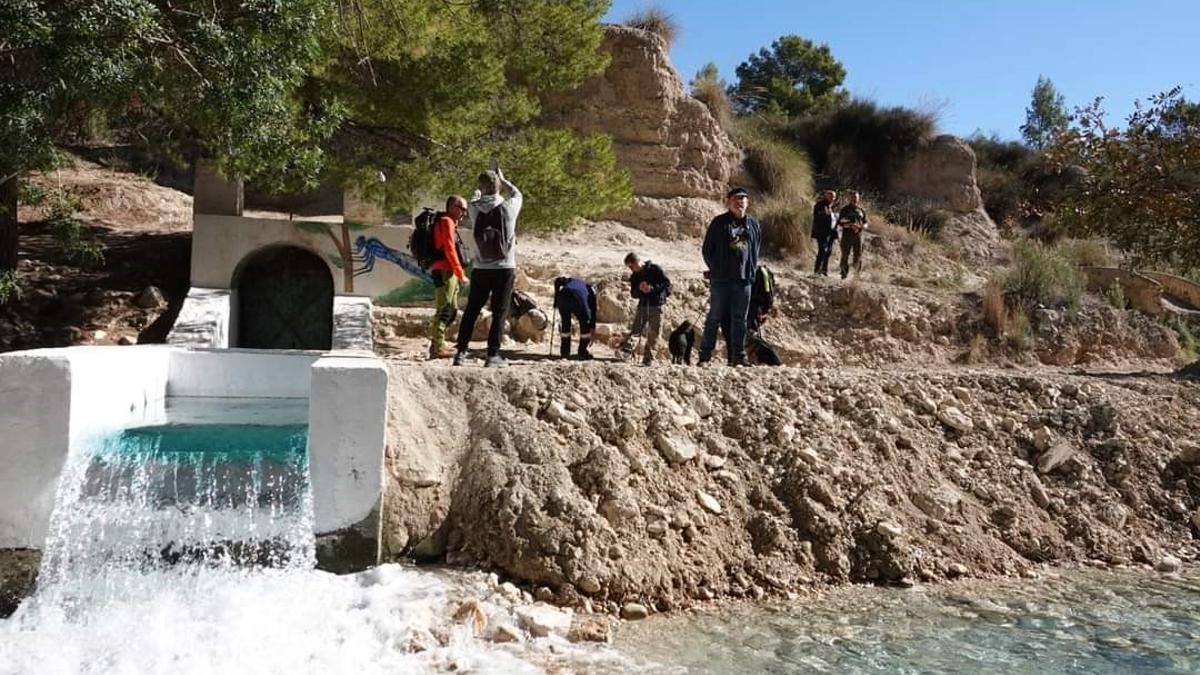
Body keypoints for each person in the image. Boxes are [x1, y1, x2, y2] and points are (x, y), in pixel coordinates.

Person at [453, 166, 523, 368]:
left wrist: (477, 192)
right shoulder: (509, 207)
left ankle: (461, 353)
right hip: (504, 268)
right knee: (499, 311)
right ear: (499, 186)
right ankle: (492, 355)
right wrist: (505, 179)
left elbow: (473, 198)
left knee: (472, 309)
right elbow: (518, 193)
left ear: (482, 187)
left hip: (481, 269)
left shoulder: (475, 209)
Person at [698, 187, 761, 366]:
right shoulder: (719, 223)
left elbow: (756, 250)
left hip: (744, 281)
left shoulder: (754, 225)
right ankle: (705, 356)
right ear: (728, 202)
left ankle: (738, 357)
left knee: (740, 319)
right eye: (736, 199)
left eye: (743, 199)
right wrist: (716, 269)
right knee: (714, 317)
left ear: (747, 203)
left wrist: (751, 271)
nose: (740, 202)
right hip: (721, 280)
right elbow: (707, 250)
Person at [427, 195, 469, 359]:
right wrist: (461, 274)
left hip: (449, 271)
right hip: (444, 271)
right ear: (452, 207)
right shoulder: (446, 222)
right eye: (462, 209)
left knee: (452, 309)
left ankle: (438, 343)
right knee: (444, 310)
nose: (464, 213)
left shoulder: (451, 223)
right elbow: (449, 250)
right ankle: (437, 348)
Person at [622, 252, 671, 366]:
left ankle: (648, 359)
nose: (632, 269)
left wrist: (651, 288)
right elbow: (634, 294)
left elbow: (666, 283)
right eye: (629, 267)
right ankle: (626, 352)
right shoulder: (635, 276)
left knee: (654, 333)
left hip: (657, 304)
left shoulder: (654, 269)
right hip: (643, 305)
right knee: (636, 329)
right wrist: (640, 289)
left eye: (632, 266)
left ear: (638, 261)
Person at [553, 276, 597, 360]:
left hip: (563, 296)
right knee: (585, 324)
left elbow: (557, 280)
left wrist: (556, 297)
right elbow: (593, 311)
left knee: (565, 324)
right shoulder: (591, 292)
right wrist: (592, 328)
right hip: (578, 299)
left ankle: (564, 352)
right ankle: (582, 351)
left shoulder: (572, 280)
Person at [837, 190, 868, 280]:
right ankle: (843, 273)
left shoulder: (861, 210)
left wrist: (862, 226)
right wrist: (851, 225)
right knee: (845, 254)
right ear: (849, 198)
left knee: (858, 255)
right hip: (847, 235)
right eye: (853, 197)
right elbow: (840, 221)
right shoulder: (845, 209)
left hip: (858, 235)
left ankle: (857, 274)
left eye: (856, 197)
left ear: (858, 199)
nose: (854, 199)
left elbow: (865, 222)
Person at [811, 190, 838, 276]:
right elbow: (816, 216)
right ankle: (817, 271)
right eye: (830, 196)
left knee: (828, 252)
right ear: (826, 196)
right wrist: (824, 214)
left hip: (831, 232)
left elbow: (836, 218)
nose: (832, 198)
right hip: (822, 232)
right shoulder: (820, 205)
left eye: (833, 197)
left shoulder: (834, 206)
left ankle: (824, 270)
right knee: (822, 250)